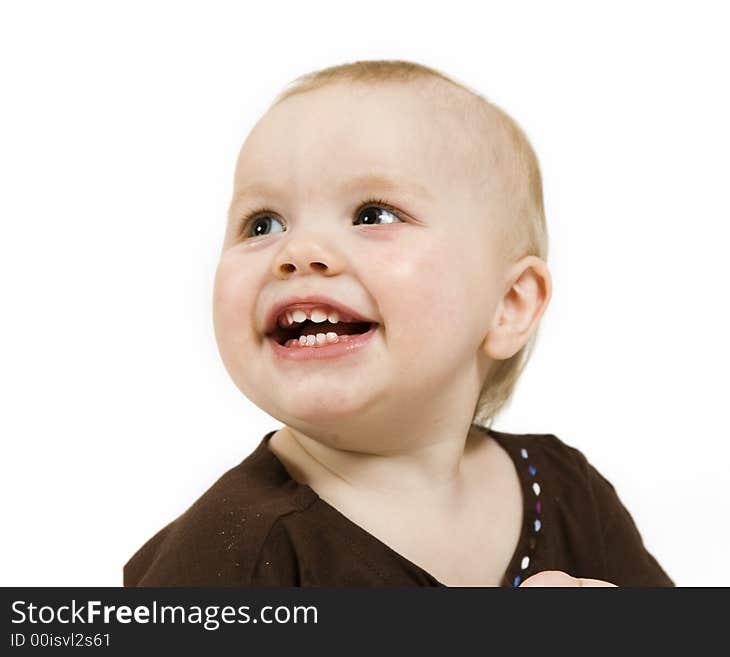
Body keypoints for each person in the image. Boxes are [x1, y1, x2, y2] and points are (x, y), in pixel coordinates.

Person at [123, 59, 674, 588]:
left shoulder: (564, 491)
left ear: (509, 303)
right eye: (261, 223)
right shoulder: (229, 555)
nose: (298, 251)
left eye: (374, 215)